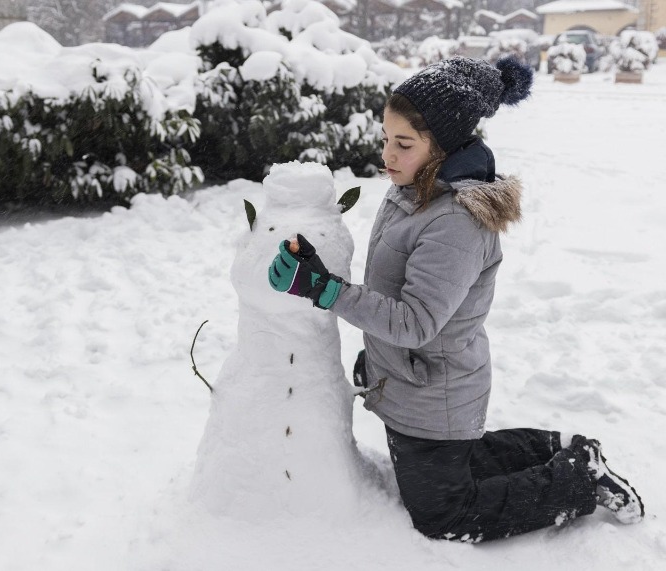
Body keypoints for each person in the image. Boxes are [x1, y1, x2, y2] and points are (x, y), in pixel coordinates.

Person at [267, 56, 644, 542]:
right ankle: (560, 446)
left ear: (440, 149)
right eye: (386, 138)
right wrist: (322, 275)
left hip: (433, 389)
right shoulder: (414, 189)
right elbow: (391, 284)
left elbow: (416, 322)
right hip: (411, 380)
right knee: (454, 461)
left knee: (443, 515)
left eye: (403, 144)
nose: (388, 154)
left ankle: (579, 482)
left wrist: (323, 291)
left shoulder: (456, 220)